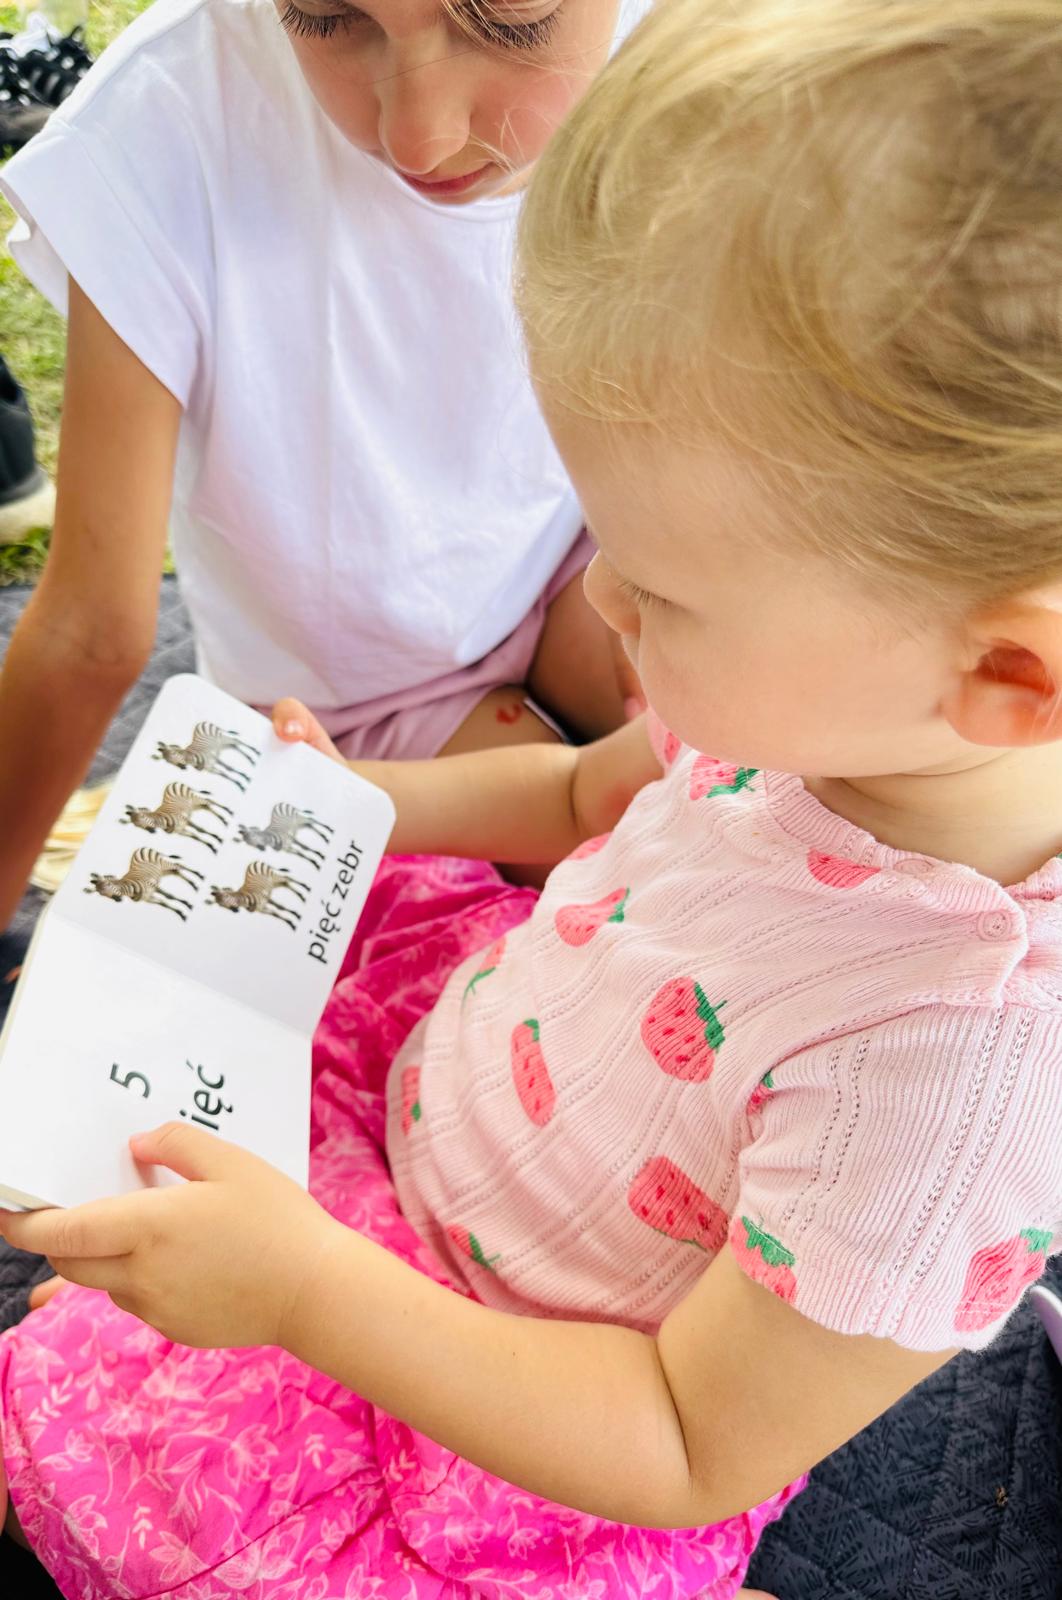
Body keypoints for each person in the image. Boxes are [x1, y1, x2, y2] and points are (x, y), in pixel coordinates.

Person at [3, 0, 1062, 1594]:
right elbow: (580, 796)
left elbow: (685, 1439)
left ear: (1011, 678)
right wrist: (356, 801)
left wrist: (305, 1293)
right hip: (465, 1071)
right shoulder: (830, 710)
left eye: (660, 590)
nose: (597, 607)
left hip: (511, 1393)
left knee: (138, 1453)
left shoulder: (954, 1079)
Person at [0, 0, 646, 936]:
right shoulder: (155, 129)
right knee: (639, 910)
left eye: (508, 21)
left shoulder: (705, 49)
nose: (419, 133)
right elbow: (93, 630)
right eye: (324, 16)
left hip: (581, 571)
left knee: (758, 813)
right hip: (346, 712)